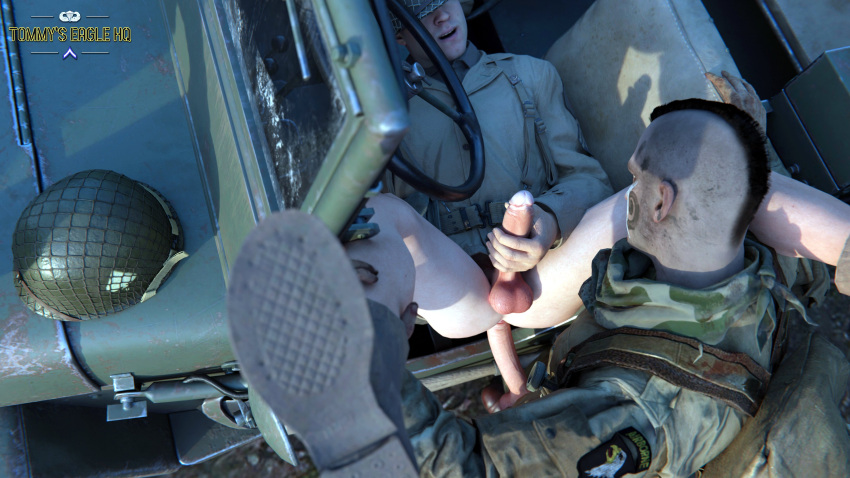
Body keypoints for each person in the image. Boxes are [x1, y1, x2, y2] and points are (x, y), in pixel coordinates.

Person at [227, 98, 850, 476]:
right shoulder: (745, 269)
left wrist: (355, 335)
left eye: (636, 177)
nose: (627, 186)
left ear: (662, 201)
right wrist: (541, 407)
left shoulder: (637, 420)